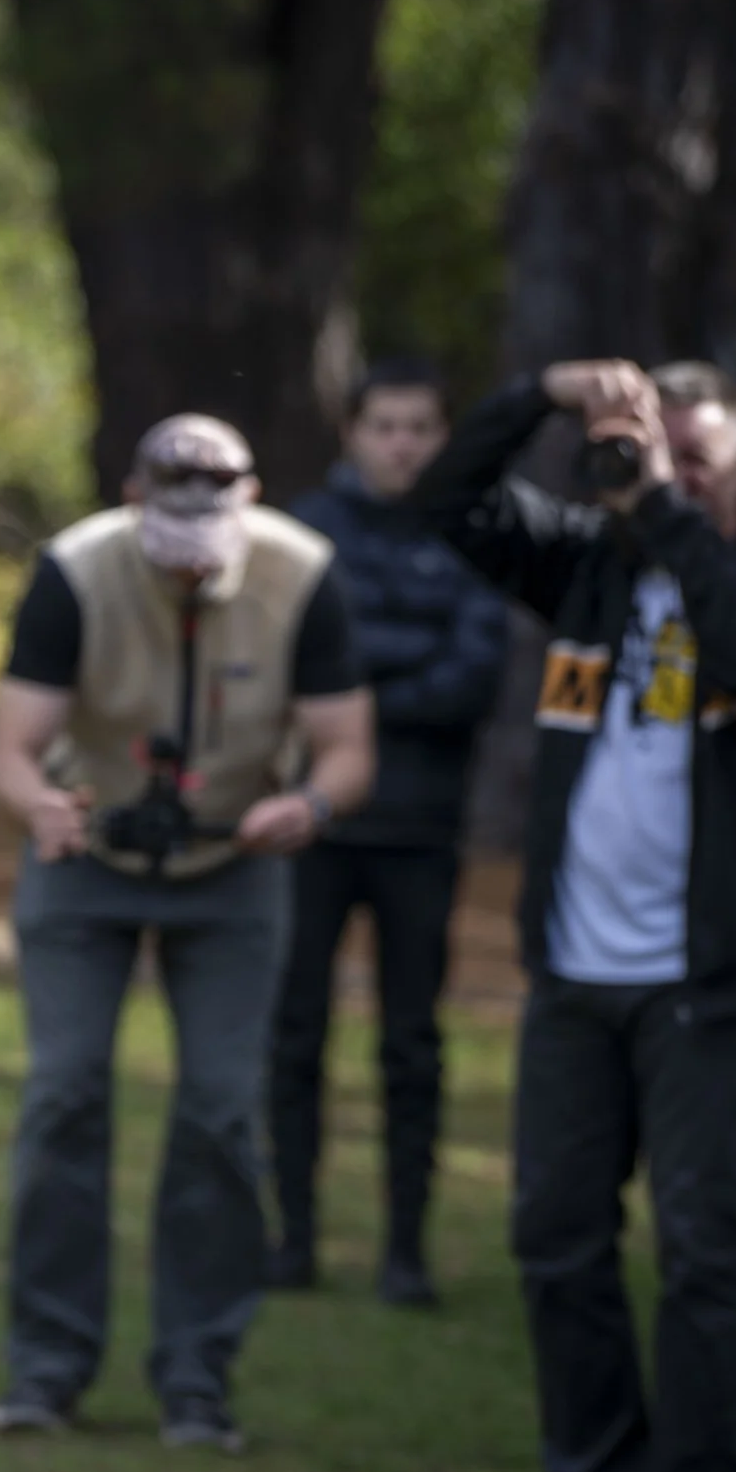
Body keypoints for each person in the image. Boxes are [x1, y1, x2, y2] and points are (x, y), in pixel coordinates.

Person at [421, 360, 736, 1472]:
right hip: (575, 970)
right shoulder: (585, 567)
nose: (665, 472)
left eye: (696, 457)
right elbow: (446, 498)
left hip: (711, 982)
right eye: (649, 449)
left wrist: (659, 501)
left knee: (703, 1245)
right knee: (556, 1233)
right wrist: (543, 396)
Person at [0, 415, 374, 1451]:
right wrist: (38, 805)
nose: (192, 565)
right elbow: (11, 747)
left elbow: (346, 747)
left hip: (237, 861)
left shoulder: (304, 573)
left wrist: (309, 807)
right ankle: (45, 1368)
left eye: (211, 542)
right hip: (86, 851)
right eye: (172, 543)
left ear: (250, 499)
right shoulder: (75, 569)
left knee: (219, 1112)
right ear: (133, 497)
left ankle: (198, 1377)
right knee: (64, 1093)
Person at [267, 357, 507, 1304]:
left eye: (420, 427)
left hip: (422, 830)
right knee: (296, 1033)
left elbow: (474, 678)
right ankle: (293, 1240)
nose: (402, 444)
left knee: (412, 1043)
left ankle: (406, 1251)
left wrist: (351, 692)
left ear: (443, 437)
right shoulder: (307, 532)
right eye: (386, 426)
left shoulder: (473, 529)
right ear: (353, 433)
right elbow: (288, 661)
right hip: (313, 825)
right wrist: (384, 677)